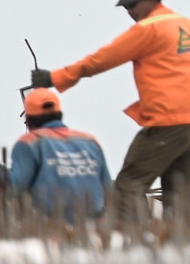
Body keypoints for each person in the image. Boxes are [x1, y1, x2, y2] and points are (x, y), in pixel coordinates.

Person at [31, 0, 190, 222]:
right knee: (180, 196)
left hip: (169, 124)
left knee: (129, 185)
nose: (129, 11)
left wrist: (55, 78)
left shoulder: (149, 29)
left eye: (131, 4)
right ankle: (183, 248)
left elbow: (102, 59)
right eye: (125, 6)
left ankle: (134, 245)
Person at [9, 87, 113, 218]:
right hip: (92, 229)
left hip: (50, 229)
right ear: (60, 114)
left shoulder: (29, 143)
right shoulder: (91, 141)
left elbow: (13, 187)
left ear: (29, 120)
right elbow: (108, 190)